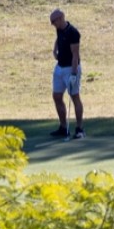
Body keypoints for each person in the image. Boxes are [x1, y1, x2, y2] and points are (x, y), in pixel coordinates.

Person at [49, 8, 84, 139]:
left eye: (53, 21)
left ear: (60, 19)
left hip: (71, 68)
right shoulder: (59, 29)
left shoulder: (73, 33)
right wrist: (55, 50)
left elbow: (75, 55)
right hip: (59, 67)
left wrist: (74, 74)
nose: (52, 24)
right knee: (56, 96)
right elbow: (58, 39)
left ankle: (80, 129)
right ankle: (63, 127)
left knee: (75, 97)